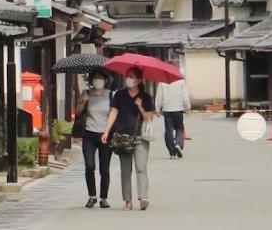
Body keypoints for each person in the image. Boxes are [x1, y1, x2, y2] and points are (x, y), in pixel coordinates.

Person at [106, 70, 156, 211]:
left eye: (132, 77)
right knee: (125, 170)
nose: (128, 79)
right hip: (123, 137)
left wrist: (140, 106)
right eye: (127, 76)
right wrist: (106, 131)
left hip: (140, 137)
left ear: (139, 80)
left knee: (141, 168)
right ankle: (128, 201)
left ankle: (143, 197)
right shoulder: (119, 95)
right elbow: (113, 112)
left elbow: (149, 118)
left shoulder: (145, 97)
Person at [80, 73, 114, 207]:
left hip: (105, 134)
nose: (97, 81)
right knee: (89, 166)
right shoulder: (86, 93)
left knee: (104, 169)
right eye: (95, 78)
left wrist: (107, 130)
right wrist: (82, 102)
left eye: (100, 78)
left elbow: (113, 113)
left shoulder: (111, 95)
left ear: (106, 80)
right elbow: (77, 113)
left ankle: (103, 198)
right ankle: (92, 196)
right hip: (89, 133)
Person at [155, 70, 190, 158]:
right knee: (179, 128)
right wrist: (187, 107)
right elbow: (185, 96)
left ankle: (172, 152)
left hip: (167, 110)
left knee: (168, 130)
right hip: (178, 109)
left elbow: (159, 96)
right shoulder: (181, 81)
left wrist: (157, 109)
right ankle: (178, 144)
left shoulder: (162, 82)